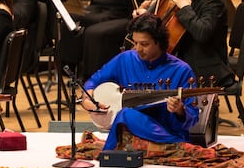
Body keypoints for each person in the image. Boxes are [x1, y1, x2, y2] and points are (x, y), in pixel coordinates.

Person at [82, 13, 199, 150]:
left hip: (168, 134)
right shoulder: (125, 59)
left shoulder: (182, 70)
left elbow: (193, 117)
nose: (138, 49)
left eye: (144, 44)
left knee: (125, 114)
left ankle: (111, 150)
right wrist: (87, 99)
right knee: (126, 115)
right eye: (135, 43)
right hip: (134, 132)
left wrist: (180, 110)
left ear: (159, 42)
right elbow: (94, 81)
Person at [135, 0, 233, 88]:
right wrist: (147, 15)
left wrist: (185, 6)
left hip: (205, 67)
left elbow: (202, 33)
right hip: (185, 58)